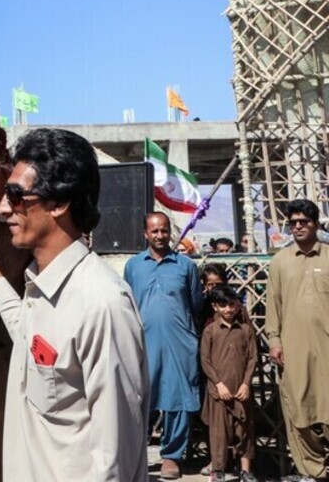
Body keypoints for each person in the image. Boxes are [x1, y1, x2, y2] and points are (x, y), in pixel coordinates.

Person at [0, 128, 149, 481]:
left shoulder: (102, 304)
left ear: (59, 204)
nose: (2, 207)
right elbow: (29, 336)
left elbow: (115, 457)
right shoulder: (39, 288)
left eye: (15, 195)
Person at [123, 212, 203, 479]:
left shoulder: (185, 266)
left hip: (179, 343)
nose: (159, 236)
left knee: (177, 399)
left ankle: (171, 456)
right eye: (154, 231)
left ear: (170, 232)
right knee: (139, 398)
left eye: (164, 230)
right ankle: (136, 454)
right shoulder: (134, 266)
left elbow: (195, 305)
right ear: (145, 234)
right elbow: (128, 304)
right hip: (143, 342)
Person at [264, 199, 329, 479]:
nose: (298, 227)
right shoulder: (280, 262)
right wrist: (275, 341)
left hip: (326, 349)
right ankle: (311, 469)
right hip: (292, 349)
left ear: (315, 224)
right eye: (293, 223)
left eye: (304, 221)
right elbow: (272, 306)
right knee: (298, 410)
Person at [200, 285, 258, 482]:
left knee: (245, 431)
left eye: (232, 305)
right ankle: (218, 470)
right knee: (219, 433)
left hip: (241, 390)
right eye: (223, 305)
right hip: (219, 392)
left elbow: (252, 359)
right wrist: (218, 384)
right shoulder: (210, 331)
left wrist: (246, 384)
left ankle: (245, 471)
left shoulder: (246, 331)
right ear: (215, 306)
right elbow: (205, 361)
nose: (228, 309)